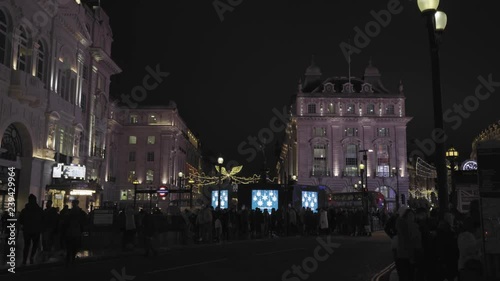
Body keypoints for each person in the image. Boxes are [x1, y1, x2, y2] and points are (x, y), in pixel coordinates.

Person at [18, 194, 44, 265]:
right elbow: (43, 220)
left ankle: (24, 259)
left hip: (27, 230)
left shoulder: (25, 210)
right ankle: (32, 257)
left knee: (26, 245)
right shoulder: (39, 210)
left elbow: (20, 220)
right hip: (36, 230)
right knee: (35, 245)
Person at [62, 199, 87, 266]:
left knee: (69, 246)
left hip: (70, 232)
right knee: (74, 246)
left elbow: (65, 222)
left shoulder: (69, 213)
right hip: (76, 232)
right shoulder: (80, 213)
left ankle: (69, 258)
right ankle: (72, 258)